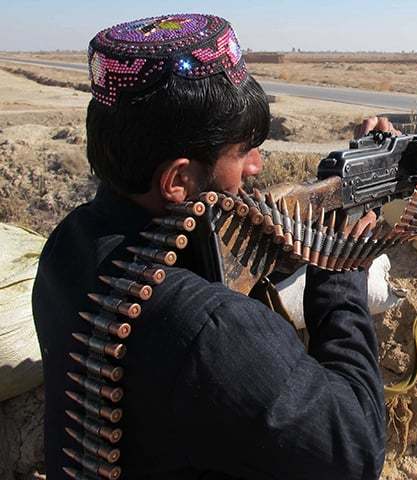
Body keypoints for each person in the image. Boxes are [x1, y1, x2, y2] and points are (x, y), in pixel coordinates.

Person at [32, 14, 386, 479]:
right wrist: (338, 278)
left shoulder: (69, 242)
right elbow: (355, 450)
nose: (257, 166)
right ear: (178, 180)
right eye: (242, 151)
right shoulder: (214, 329)